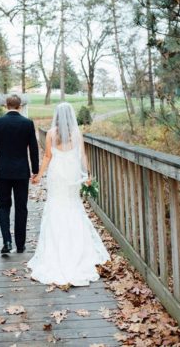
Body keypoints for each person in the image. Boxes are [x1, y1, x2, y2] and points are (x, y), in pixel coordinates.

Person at [28, 102, 110, 286]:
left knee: (56, 207)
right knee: (73, 206)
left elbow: (48, 156)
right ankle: (78, 251)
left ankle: (56, 251)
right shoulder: (76, 133)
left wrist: (39, 175)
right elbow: (82, 156)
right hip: (71, 174)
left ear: (57, 115)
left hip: (57, 175)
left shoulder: (51, 133)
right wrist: (87, 175)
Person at [0, 94, 39, 254]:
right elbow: (33, 148)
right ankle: (21, 244)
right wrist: (35, 170)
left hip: (3, 171)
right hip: (22, 172)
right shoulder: (27, 123)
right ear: (20, 106)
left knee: (3, 206)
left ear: (6, 105)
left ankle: (7, 241)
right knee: (21, 207)